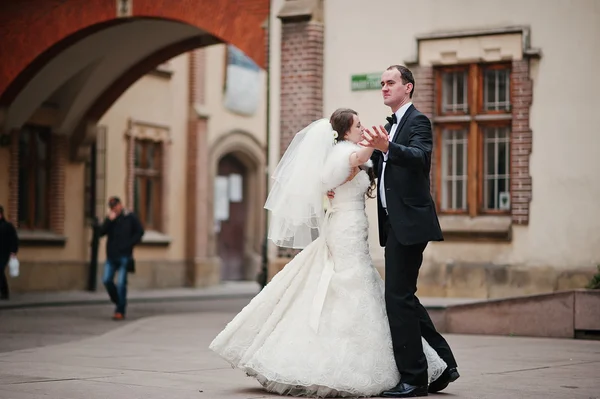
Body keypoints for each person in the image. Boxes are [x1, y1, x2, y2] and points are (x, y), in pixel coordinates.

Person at [209, 109, 447, 397]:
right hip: (345, 227)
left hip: (351, 225)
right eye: (358, 125)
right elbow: (359, 159)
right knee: (351, 283)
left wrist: (377, 148)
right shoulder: (343, 153)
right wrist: (376, 141)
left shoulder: (344, 150)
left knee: (357, 282)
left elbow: (367, 165)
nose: (362, 129)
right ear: (345, 131)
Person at [359, 65, 460, 397]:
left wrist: (387, 148)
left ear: (409, 87)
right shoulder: (390, 125)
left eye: (391, 83)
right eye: (382, 84)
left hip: (411, 223)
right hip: (395, 224)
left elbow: (419, 157)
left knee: (397, 298)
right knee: (404, 297)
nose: (384, 88)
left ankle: (414, 378)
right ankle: (443, 365)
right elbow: (381, 168)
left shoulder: (418, 121)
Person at [98, 196, 144, 320]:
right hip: (111, 255)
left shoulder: (130, 217)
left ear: (121, 205)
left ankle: (120, 311)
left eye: (116, 206)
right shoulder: (111, 219)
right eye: (112, 207)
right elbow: (101, 233)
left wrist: (129, 245)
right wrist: (108, 220)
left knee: (121, 283)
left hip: (124, 255)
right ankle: (118, 300)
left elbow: (140, 232)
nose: (114, 209)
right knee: (107, 280)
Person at [0, 205, 19, 300]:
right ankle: (4, 292)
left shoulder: (7, 226)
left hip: (4, 253)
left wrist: (13, 251)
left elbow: (14, 239)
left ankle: (4, 292)